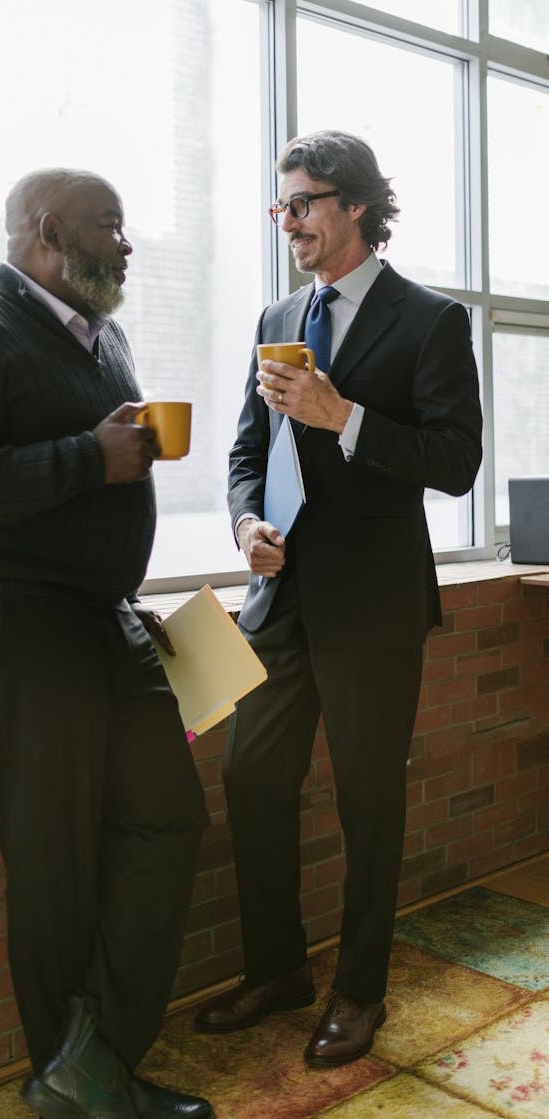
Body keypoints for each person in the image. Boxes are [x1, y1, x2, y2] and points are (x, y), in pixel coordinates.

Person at [0, 168, 214, 1119]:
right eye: (112, 227)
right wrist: (88, 456)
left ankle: (95, 1060)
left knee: (171, 817)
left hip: (99, 618)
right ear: (48, 230)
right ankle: (75, 1075)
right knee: (55, 860)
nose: (127, 245)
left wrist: (120, 569)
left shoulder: (102, 335)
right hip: (14, 620)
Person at [194, 131, 482, 1067]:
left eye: (304, 203)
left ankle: (360, 991)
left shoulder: (430, 320)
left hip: (374, 606)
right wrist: (245, 527)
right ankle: (278, 969)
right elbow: (245, 451)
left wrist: (344, 417)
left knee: (368, 802)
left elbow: (455, 462)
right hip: (276, 599)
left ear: (355, 205)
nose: (289, 222)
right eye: (280, 207)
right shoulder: (278, 310)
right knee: (249, 776)